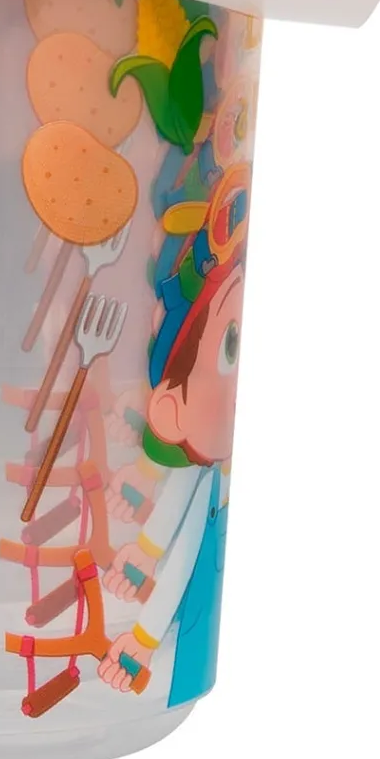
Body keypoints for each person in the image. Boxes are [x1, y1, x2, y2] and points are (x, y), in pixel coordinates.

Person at [99, 166, 250, 705]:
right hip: (172, 641)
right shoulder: (199, 469)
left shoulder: (204, 468)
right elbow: (178, 538)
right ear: (170, 411)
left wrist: (142, 638)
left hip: (176, 644)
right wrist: (141, 638)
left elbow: (179, 532)